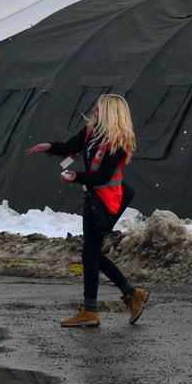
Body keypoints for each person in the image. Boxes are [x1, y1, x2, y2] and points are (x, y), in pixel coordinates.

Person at [25, 94, 148, 328]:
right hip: (94, 198)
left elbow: (101, 176)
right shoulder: (92, 132)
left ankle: (92, 310)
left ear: (110, 113)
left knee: (90, 253)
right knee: (91, 253)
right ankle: (131, 295)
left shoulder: (117, 143)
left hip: (106, 202)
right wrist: (49, 146)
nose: (94, 110)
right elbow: (72, 146)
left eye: (98, 107)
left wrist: (75, 177)